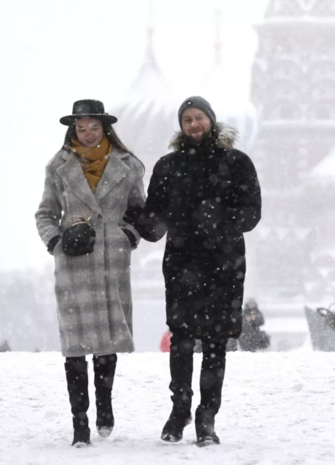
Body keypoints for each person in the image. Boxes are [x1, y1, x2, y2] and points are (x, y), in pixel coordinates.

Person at [125, 96, 261, 446]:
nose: (194, 124)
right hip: (183, 263)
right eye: (187, 119)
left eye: (199, 117)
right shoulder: (169, 166)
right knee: (181, 341)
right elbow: (156, 223)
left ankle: (207, 416)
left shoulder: (236, 163)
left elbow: (251, 213)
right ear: (181, 126)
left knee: (215, 343)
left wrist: (221, 217)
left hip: (223, 265)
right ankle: (180, 408)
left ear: (211, 121)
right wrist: (139, 218)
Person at [35, 99, 147, 447]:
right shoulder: (58, 167)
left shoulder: (128, 166)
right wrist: (58, 241)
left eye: (92, 127)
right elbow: (44, 213)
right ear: (73, 129)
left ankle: (106, 404)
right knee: (75, 344)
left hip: (111, 259)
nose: (86, 133)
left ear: (104, 128)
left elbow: (138, 212)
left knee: (108, 338)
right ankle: (79, 422)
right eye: (80, 128)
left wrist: (128, 235)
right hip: (74, 261)